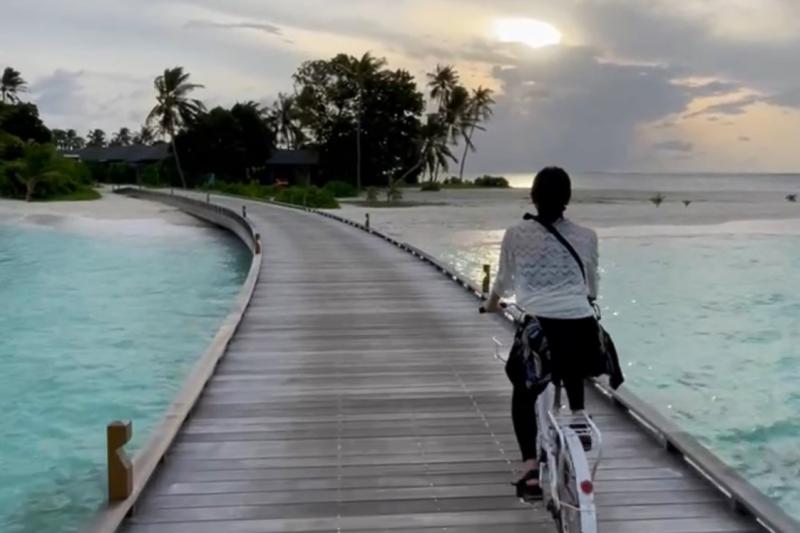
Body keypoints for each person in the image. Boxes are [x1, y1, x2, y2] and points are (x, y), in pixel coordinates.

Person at [483, 166, 601, 497]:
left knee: (523, 388)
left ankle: (531, 471)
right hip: (581, 327)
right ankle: (578, 415)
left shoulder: (516, 234)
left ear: (533, 196)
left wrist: (491, 305)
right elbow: (591, 287)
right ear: (567, 199)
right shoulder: (587, 235)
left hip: (539, 326)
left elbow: (503, 283)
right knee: (571, 354)